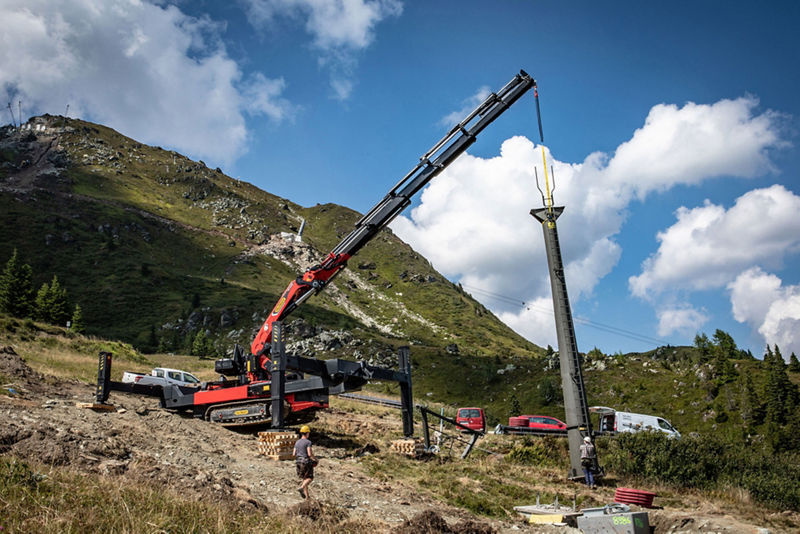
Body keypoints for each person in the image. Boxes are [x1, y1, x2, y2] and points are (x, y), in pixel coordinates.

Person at [294, 425, 318, 499]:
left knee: (305, 479)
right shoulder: (308, 442)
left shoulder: (297, 442)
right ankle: (301, 487)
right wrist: (315, 459)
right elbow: (309, 454)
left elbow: (294, 453)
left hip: (298, 462)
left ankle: (307, 498)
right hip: (306, 462)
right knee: (310, 478)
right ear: (307, 433)